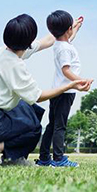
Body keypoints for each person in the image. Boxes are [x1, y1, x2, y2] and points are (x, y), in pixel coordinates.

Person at [0, 14, 90, 169]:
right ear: (28, 42)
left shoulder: (4, 51)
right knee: (33, 126)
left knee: (29, 109)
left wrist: (70, 27)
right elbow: (39, 96)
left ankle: (11, 156)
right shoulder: (15, 65)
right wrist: (69, 86)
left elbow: (47, 41)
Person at [37, 10, 86, 168]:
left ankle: (44, 158)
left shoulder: (60, 43)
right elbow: (66, 70)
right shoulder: (65, 49)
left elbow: (70, 37)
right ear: (68, 29)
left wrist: (76, 26)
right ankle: (58, 159)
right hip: (65, 91)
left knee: (52, 125)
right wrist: (80, 81)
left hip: (57, 91)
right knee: (60, 126)